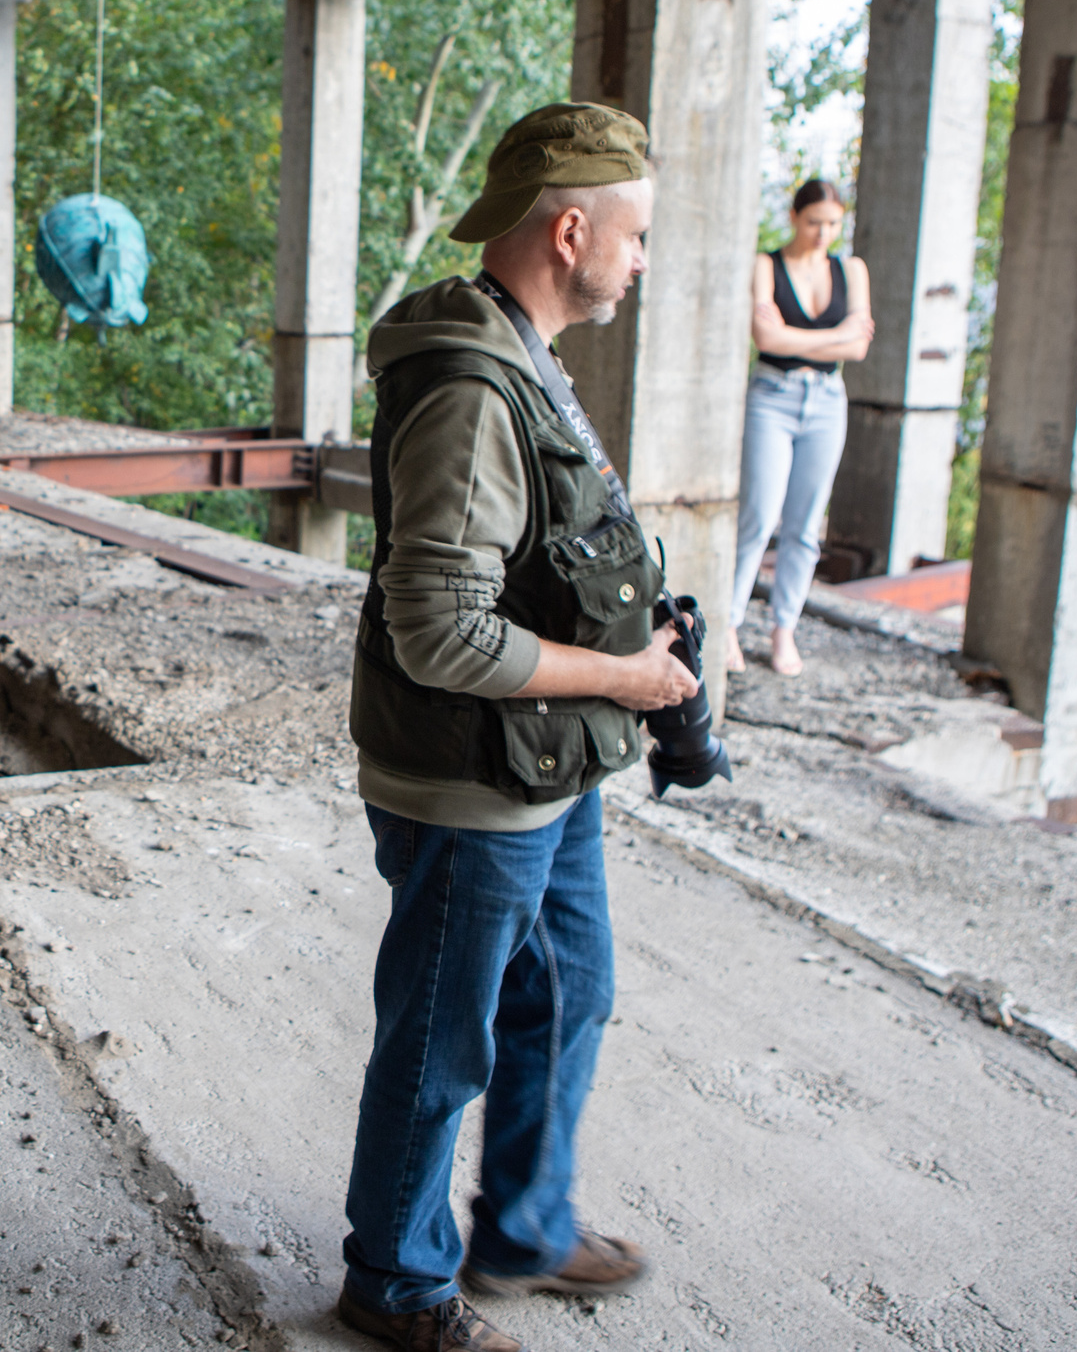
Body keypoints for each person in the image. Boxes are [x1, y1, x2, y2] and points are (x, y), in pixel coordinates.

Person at [338, 102, 698, 1352]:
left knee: (570, 992)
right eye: (636, 237)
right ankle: (395, 1283)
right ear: (570, 229)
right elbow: (439, 631)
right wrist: (622, 681)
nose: (641, 261)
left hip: (547, 764)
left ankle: (524, 1229)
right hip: (472, 783)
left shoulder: (522, 350)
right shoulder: (466, 386)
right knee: (442, 1042)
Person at [723, 179, 874, 676]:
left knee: (805, 526)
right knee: (759, 516)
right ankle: (729, 624)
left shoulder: (851, 269)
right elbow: (764, 336)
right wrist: (833, 338)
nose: (822, 233)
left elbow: (859, 349)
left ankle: (784, 629)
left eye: (832, 223)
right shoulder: (767, 265)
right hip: (773, 396)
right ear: (794, 217)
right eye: (813, 222)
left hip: (828, 401)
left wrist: (795, 339)